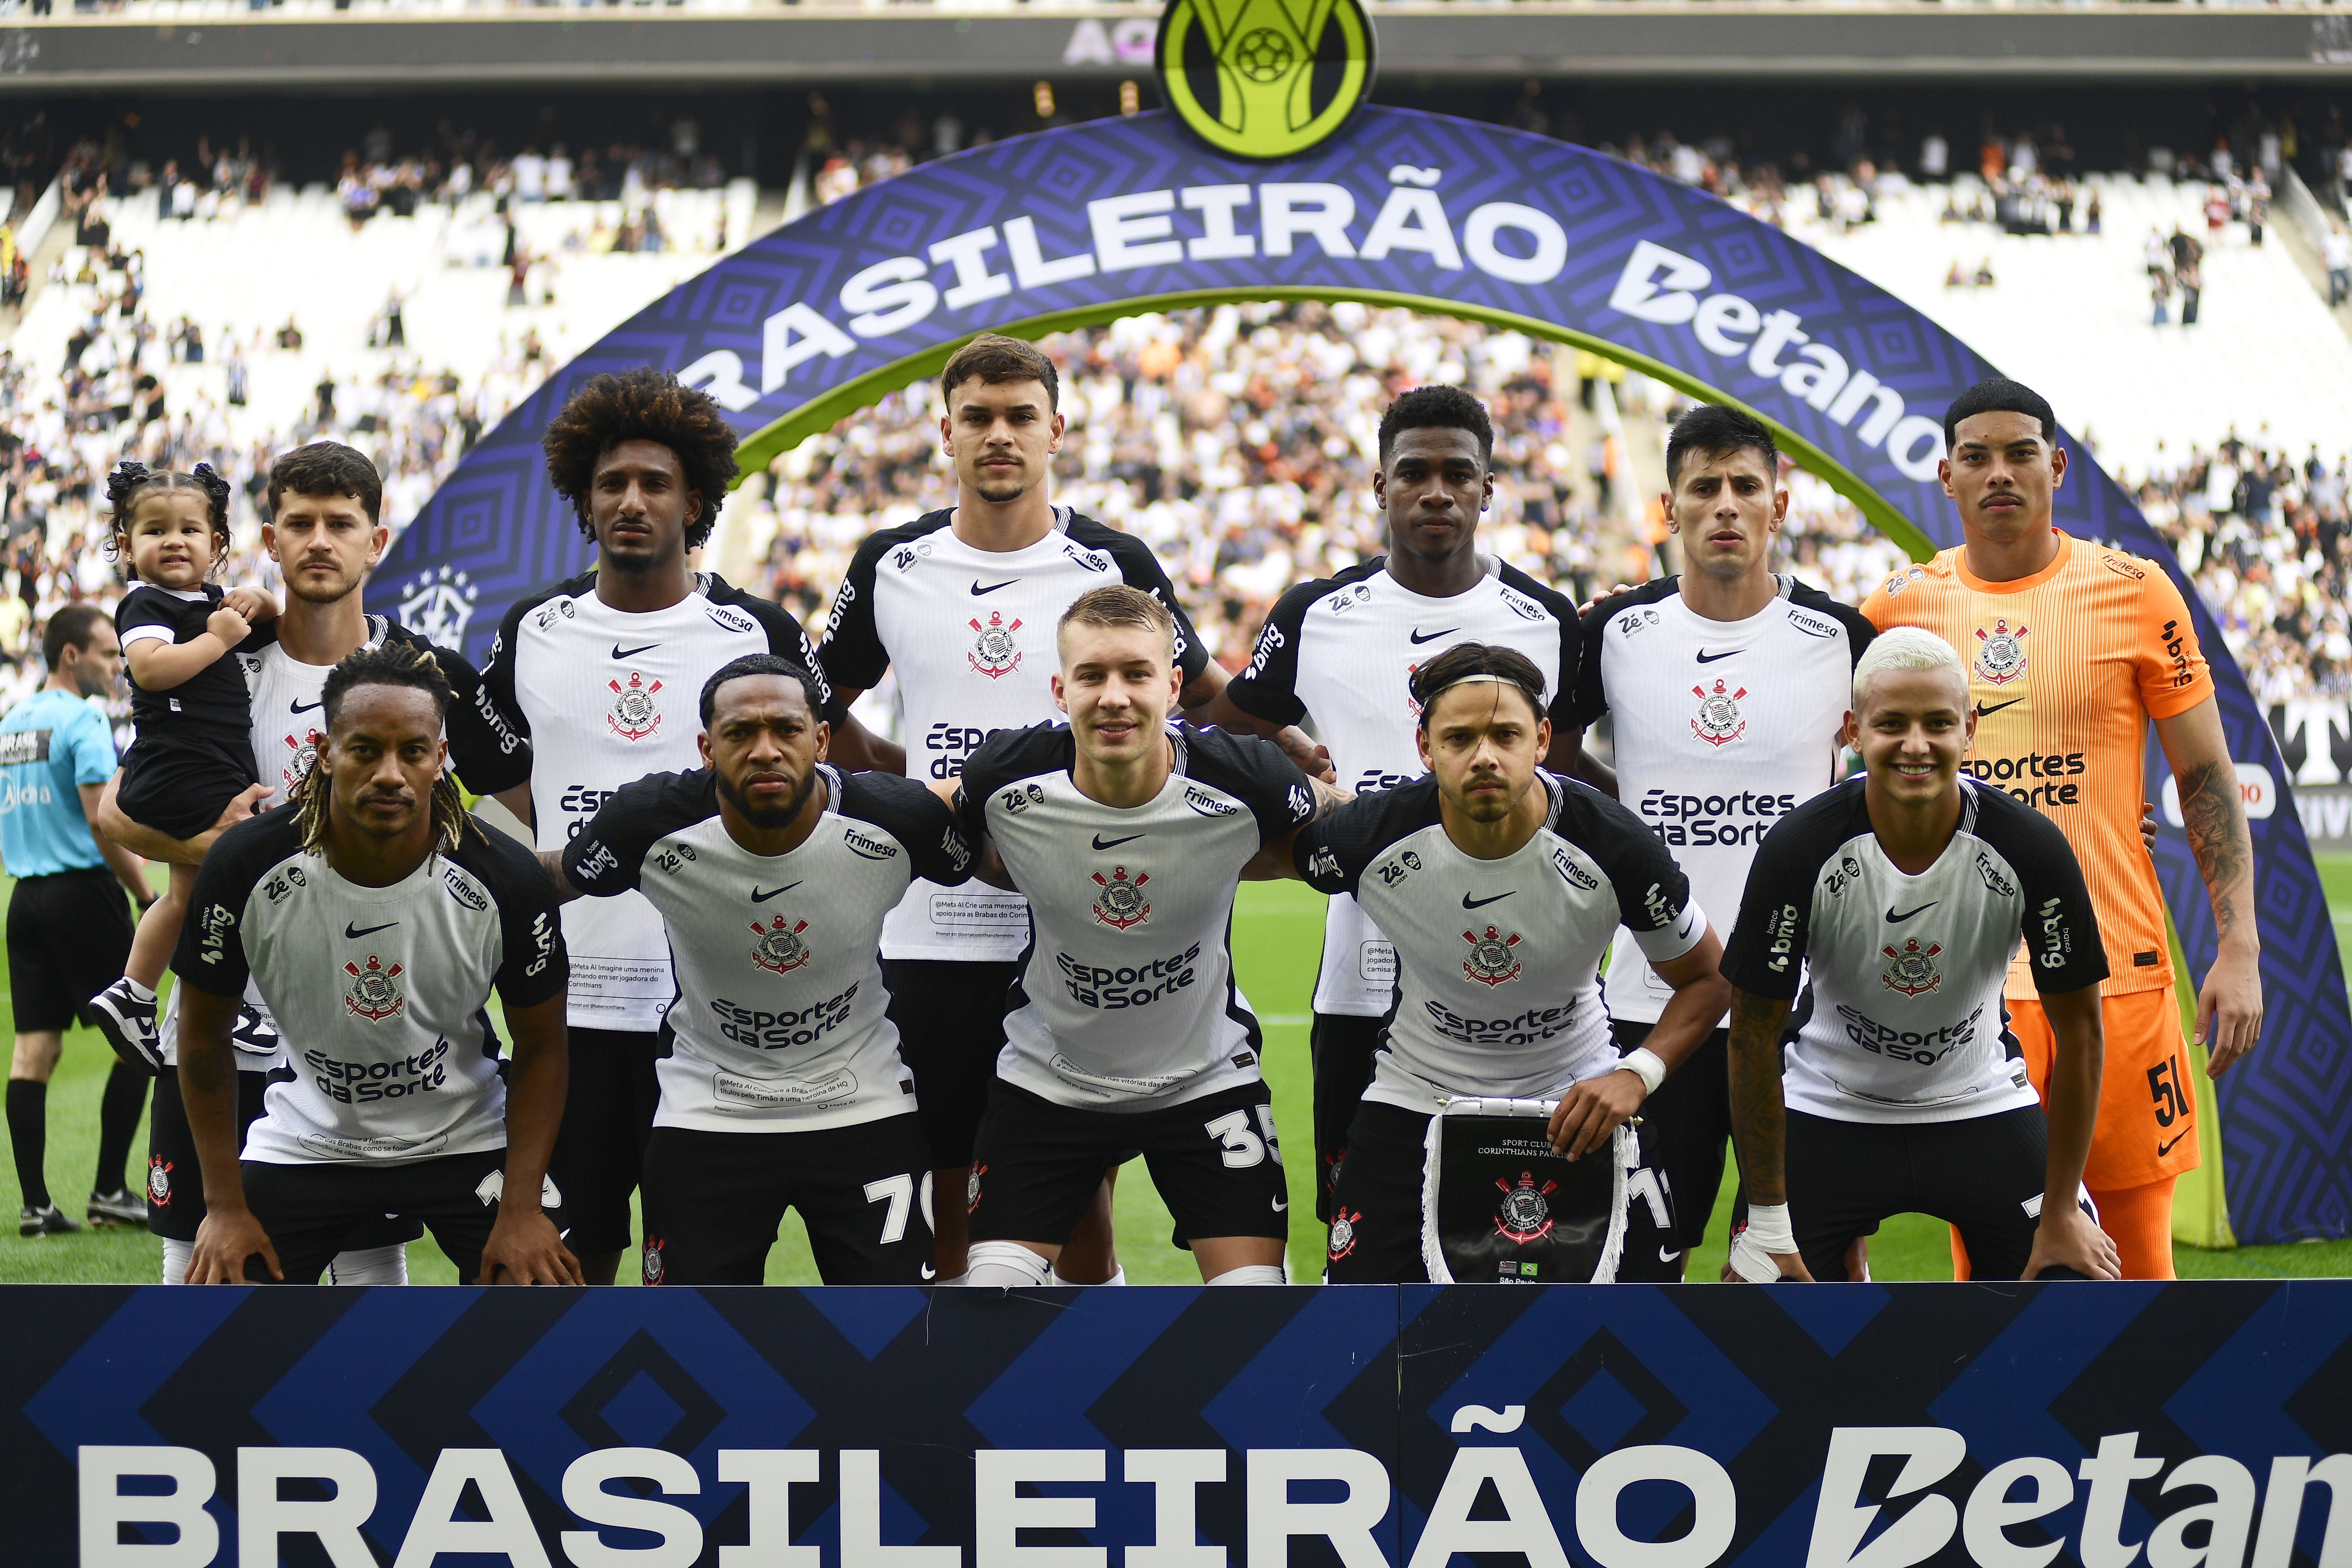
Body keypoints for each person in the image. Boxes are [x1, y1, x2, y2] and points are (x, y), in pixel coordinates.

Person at [818, 334, 1302, 1286]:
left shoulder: (1111, 560)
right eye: (978, 418)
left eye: (1020, 417)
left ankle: (1092, 1350)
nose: (999, 435)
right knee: (952, 1200)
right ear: (946, 434)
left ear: (1056, 431)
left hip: (1090, 910)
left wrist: (1287, 746)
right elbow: (818, 709)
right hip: (938, 927)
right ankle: (980, 1362)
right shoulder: (891, 562)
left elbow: (1201, 694)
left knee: (1082, 1203)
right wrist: (906, 780)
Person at [1860, 377, 2259, 1280]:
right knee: (1993, 1265)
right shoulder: (1897, 609)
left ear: (2058, 467)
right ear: (1947, 477)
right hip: (1966, 989)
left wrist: (2238, 946)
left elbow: (2204, 777)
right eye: (1976, 457)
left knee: (2140, 1263)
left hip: (2120, 973)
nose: (1999, 473)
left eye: (2020, 453)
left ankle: (2143, 1388)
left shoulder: (2135, 591)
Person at [457, 366, 843, 1286]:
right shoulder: (535, 627)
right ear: (584, 501)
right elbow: (507, 780)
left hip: (711, 1008)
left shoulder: (757, 631)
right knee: (562, 1267)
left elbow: (826, 781)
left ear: (694, 501)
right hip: (567, 1005)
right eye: (612, 484)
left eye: (655, 484)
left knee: (696, 1278)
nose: (631, 502)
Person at [1197, 384, 1580, 1233]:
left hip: (1517, 988)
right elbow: (1217, 737)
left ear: (1488, 489)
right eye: (1414, 473)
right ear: (1380, 486)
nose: (1436, 492)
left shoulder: (1547, 620)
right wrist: (1290, 758)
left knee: (1516, 1234)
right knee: (1359, 1232)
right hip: (1359, 983)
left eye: (1458, 474)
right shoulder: (1315, 615)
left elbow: (1574, 794)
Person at [97, 441, 458, 1285]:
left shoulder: (418, 677)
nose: (319, 540)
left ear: (376, 540)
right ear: (269, 539)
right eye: (300, 523)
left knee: (369, 1270)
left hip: (366, 1022)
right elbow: (116, 811)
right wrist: (219, 853)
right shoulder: (217, 655)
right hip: (222, 1022)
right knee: (198, 1266)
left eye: (341, 523)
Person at [1293, 643, 1729, 1282]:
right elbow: (1259, 845)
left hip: (1574, 1099)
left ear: (1543, 739)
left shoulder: (1615, 845)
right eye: (1459, 738)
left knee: (1636, 1320)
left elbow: (1711, 978)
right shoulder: (1367, 836)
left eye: (1506, 734)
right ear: (1425, 747)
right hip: (1416, 1096)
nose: (1485, 757)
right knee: (1360, 1322)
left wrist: (1635, 1076)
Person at [944, 585, 1334, 1288]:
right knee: (993, 1299)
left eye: (1136, 674)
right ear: (1061, 690)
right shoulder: (1005, 775)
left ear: (1174, 686)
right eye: (1092, 676)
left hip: (1204, 1079)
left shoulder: (1245, 776)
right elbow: (925, 820)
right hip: (1050, 1081)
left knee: (1253, 1310)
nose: (1114, 697)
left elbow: (1347, 821)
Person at [1566, 405, 1874, 1278]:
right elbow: (1548, 762)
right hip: (1653, 996)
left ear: (1780, 505)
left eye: (1746, 485)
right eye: (1705, 487)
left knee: (1804, 1268)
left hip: (1805, 1007)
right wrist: (1622, 822)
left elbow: (1914, 767)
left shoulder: (1841, 638)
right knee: (1635, 1266)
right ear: (1670, 508)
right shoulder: (1613, 633)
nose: (1727, 504)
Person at [550, 655, 971, 1285]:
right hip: (709, 1108)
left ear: (821, 740)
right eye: (740, 733)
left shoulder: (898, 818)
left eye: (787, 730)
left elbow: (990, 863)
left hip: (862, 1103)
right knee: (688, 1334)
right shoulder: (648, 821)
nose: (766, 750)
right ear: (707, 749)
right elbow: (552, 879)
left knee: (896, 1327)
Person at [1718, 627, 2119, 1285]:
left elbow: (2082, 1034)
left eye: (1937, 723)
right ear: (1854, 731)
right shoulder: (1799, 847)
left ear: (1970, 729)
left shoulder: (2031, 847)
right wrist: (1766, 1221)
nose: (1915, 744)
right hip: (1829, 1105)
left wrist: (2059, 1214)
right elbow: (1752, 1038)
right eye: (1891, 724)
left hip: (1978, 1100)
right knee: (1757, 1304)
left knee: (2071, 1286)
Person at [176, 644, 575, 1286]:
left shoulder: (504, 876)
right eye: (365, 750)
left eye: (412, 751)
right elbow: (201, 1036)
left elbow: (543, 1046)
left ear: (440, 759)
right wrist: (223, 1208)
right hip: (311, 1138)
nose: (390, 774)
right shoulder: (245, 865)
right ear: (325, 752)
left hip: (466, 1136)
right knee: (229, 1294)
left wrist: (523, 1208)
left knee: (538, 1288)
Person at [85, 463, 276, 1069]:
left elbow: (276, 625)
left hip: (202, 761)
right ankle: (233, 1001)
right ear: (126, 545)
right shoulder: (146, 602)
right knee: (247, 871)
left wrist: (261, 599)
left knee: (186, 894)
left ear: (216, 545)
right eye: (155, 530)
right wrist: (219, 639)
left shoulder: (213, 604)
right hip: (183, 762)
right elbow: (150, 669)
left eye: (190, 530)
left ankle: (132, 993)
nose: (174, 541)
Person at [2, 605, 156, 1236]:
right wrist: (145, 892)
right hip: (83, 897)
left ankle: (36, 1206)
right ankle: (110, 1190)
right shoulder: (83, 718)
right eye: (106, 653)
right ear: (72, 655)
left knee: (34, 1050)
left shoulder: (13, 721)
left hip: (25, 901)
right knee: (137, 1038)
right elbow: (100, 819)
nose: (117, 665)